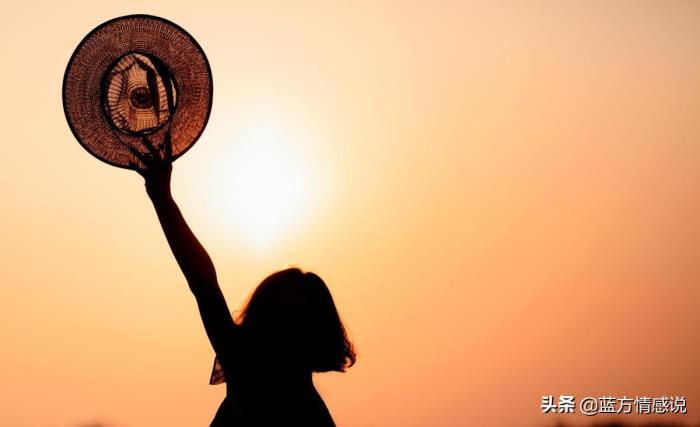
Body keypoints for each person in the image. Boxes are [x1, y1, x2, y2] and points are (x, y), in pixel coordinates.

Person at [127, 133, 356, 426]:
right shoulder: (307, 409)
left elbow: (204, 284)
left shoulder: (244, 364)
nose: (286, 331)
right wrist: (163, 201)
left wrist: (163, 201)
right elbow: (203, 283)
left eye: (292, 319)